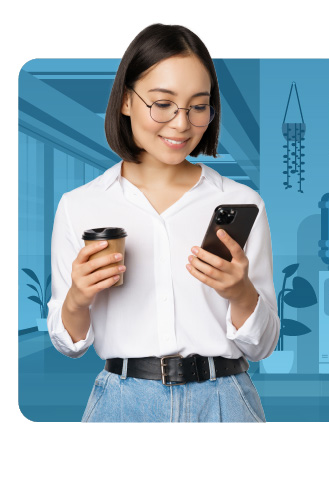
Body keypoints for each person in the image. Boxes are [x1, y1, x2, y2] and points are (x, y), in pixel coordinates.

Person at [47, 23, 280, 423]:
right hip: (121, 404)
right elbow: (69, 345)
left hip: (224, 403)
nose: (181, 123)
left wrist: (241, 293)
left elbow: (263, 346)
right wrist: (77, 298)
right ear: (125, 101)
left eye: (198, 106)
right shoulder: (79, 206)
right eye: (163, 103)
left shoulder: (240, 202)